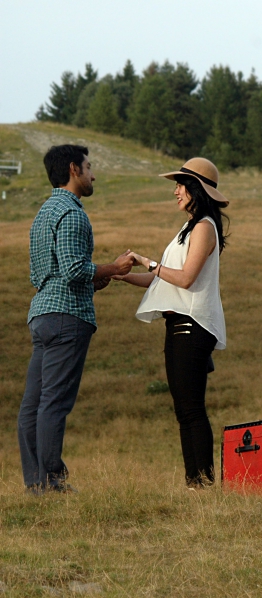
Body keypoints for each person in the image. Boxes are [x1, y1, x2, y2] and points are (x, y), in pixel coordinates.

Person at [19, 144, 134, 494]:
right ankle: (52, 482)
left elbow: (45, 275)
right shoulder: (71, 212)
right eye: (89, 166)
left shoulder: (43, 213)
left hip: (42, 315)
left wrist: (95, 281)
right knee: (54, 403)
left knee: (33, 405)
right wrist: (115, 267)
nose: (93, 173)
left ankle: (35, 484)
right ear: (73, 169)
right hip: (67, 319)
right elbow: (72, 268)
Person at [116, 157, 229, 487]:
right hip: (182, 325)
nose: (176, 192)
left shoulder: (205, 226)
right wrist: (121, 276)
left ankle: (202, 481)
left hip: (191, 325)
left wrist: (146, 261)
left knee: (191, 409)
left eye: (180, 185)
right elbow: (159, 282)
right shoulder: (191, 228)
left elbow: (185, 279)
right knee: (186, 409)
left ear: (196, 189)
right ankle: (196, 481)